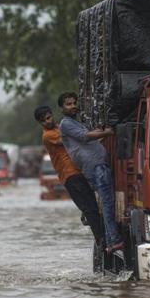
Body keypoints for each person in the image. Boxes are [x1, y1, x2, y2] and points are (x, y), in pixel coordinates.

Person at [58, 92, 123, 253]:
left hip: (98, 166)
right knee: (108, 205)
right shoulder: (66, 124)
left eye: (74, 103)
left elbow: (88, 140)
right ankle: (114, 240)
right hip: (96, 168)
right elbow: (86, 137)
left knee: (108, 204)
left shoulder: (74, 122)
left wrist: (101, 135)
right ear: (61, 108)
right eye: (68, 104)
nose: (73, 106)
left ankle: (110, 240)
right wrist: (107, 133)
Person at [34, 106, 105, 245]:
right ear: (40, 123)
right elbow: (72, 139)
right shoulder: (48, 136)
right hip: (70, 174)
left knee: (92, 205)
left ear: (52, 115)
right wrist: (99, 133)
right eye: (44, 121)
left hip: (79, 171)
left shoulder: (58, 128)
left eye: (49, 117)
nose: (48, 121)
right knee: (90, 207)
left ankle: (100, 235)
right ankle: (101, 239)